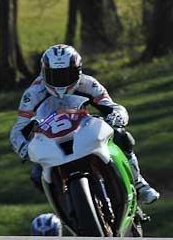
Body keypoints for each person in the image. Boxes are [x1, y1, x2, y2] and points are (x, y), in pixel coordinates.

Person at [9, 44, 160, 204]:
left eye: (67, 75)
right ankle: (65, 206)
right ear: (44, 72)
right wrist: (25, 148)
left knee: (122, 136)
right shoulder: (32, 94)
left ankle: (138, 184)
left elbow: (112, 106)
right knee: (36, 175)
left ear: (78, 71)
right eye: (55, 75)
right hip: (51, 140)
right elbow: (18, 131)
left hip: (84, 131)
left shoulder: (88, 84)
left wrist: (117, 116)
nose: (61, 81)